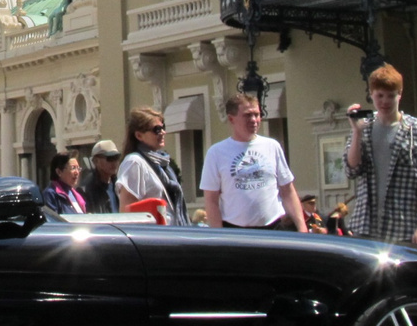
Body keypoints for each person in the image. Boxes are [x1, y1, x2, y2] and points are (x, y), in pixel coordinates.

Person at [345, 63, 417, 246]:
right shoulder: (364, 126)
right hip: (365, 226)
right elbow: (352, 169)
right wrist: (356, 132)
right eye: (379, 95)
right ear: (371, 94)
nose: (385, 102)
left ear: (399, 94)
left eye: (390, 96)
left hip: (402, 227)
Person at [200, 93, 306, 231]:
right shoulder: (216, 153)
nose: (254, 120)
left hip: (274, 227)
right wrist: (218, 235)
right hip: (235, 230)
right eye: (247, 115)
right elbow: (211, 200)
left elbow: (287, 191)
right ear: (231, 119)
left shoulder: (272, 146)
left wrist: (302, 226)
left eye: (257, 114)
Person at [115, 107, 185, 223]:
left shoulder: (161, 164)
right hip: (152, 236)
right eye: (156, 129)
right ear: (139, 135)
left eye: (163, 127)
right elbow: (127, 213)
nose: (163, 132)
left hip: (170, 234)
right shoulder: (134, 163)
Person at [80, 139, 121, 214]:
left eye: (116, 157)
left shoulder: (119, 184)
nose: (114, 163)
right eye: (110, 158)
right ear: (96, 161)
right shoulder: (86, 189)